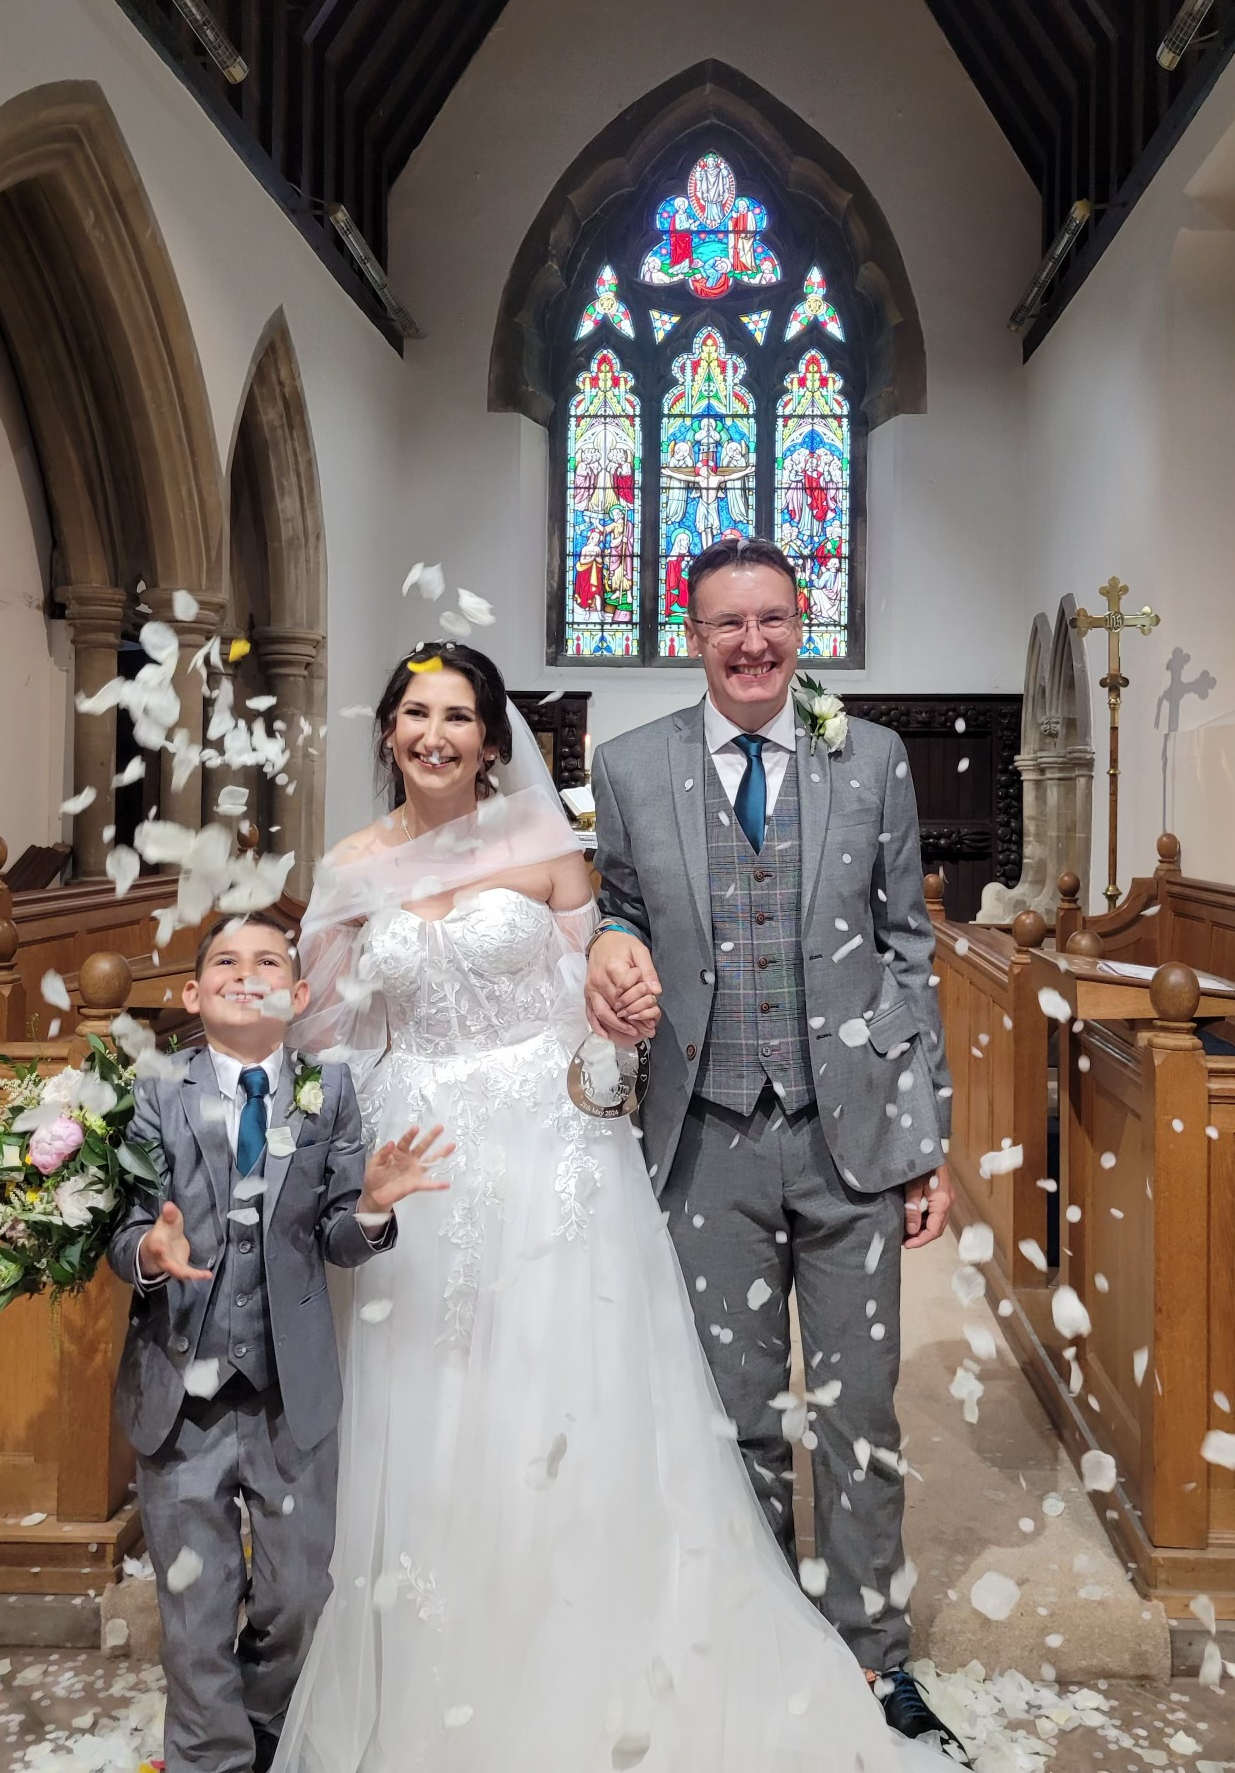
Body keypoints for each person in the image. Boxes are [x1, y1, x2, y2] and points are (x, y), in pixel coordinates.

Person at [272, 643, 962, 1772]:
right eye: (413, 713)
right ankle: (443, 1660)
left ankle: (818, 1646)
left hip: (549, 1156)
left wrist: (614, 1029)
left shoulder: (545, 849)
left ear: (494, 739)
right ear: (388, 731)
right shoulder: (350, 868)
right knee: (433, 1418)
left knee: (572, 1399)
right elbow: (325, 1034)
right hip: (421, 1171)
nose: (434, 732)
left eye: (457, 714)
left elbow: (601, 989)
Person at [586, 534, 961, 1751]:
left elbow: (907, 952)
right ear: (689, 637)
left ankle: (872, 1660)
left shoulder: (876, 762)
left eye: (773, 620)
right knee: (732, 1412)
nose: (752, 644)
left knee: (861, 1413)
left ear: (805, 626)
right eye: (725, 624)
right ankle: (750, 1643)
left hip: (850, 1137)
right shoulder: (631, 767)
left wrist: (925, 1141)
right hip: (703, 1139)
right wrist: (607, 946)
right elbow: (619, 911)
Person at [108, 912, 451, 1773]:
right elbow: (125, 1225)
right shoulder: (157, 1090)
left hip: (288, 1393)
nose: (245, 972)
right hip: (178, 1394)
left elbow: (336, 1234)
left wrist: (370, 1207)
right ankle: (208, 1758)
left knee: (298, 1596)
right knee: (194, 1606)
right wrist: (151, 1250)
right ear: (193, 993)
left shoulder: (327, 1091)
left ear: (298, 996)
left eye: (268, 961)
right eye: (225, 960)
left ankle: (265, 1729)